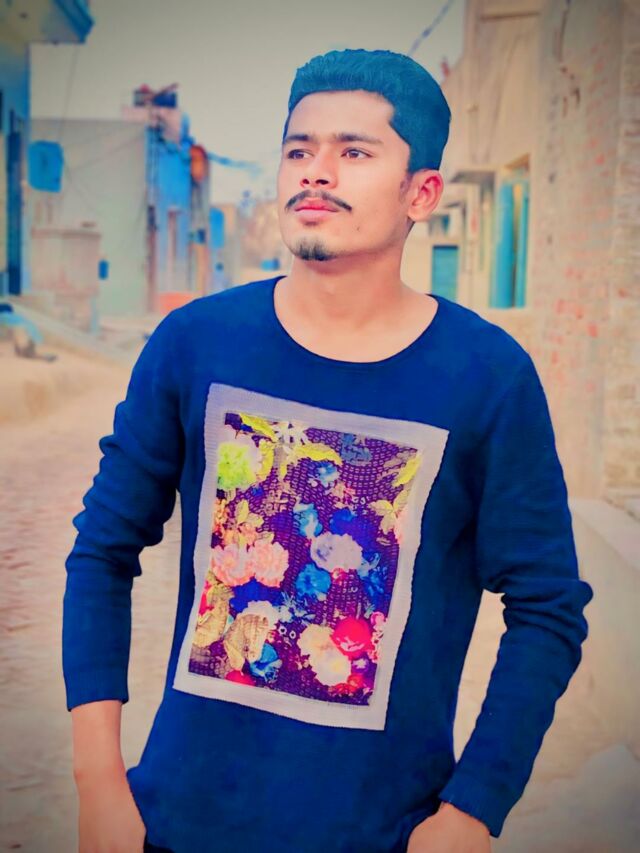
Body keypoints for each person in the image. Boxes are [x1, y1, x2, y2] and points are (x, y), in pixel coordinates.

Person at [63, 48, 593, 853]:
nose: (316, 170)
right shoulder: (195, 345)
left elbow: (547, 607)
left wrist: (473, 812)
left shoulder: (487, 379)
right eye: (299, 149)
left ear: (422, 193)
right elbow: (102, 550)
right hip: (179, 825)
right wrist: (98, 782)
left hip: (381, 834)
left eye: (354, 151)